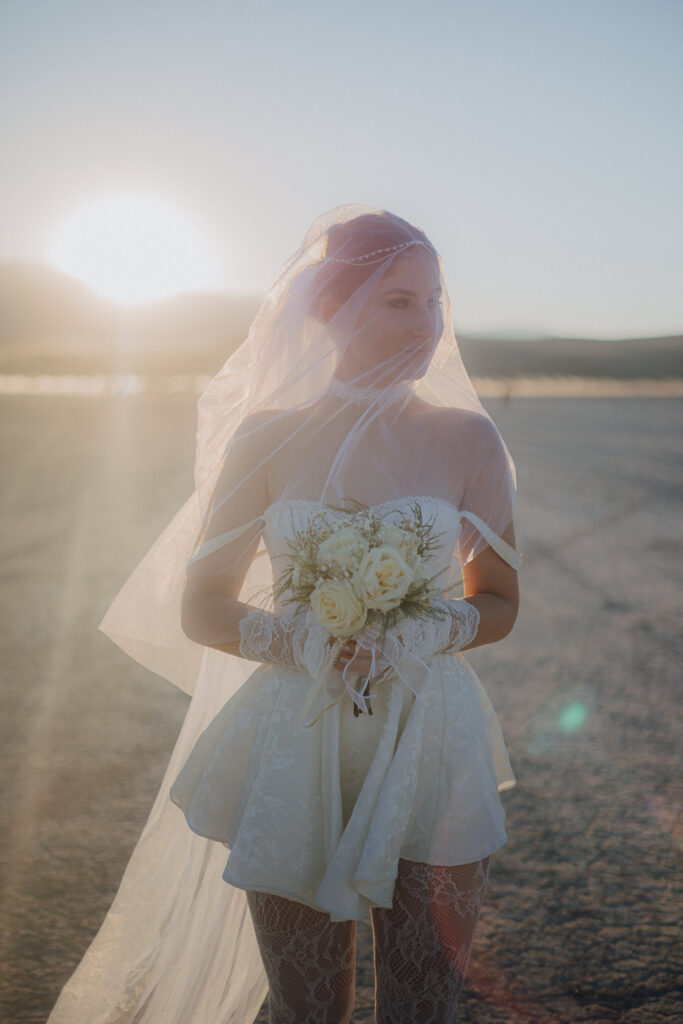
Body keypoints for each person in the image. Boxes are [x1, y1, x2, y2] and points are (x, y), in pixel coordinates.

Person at [47, 204, 521, 1024]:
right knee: (307, 1012)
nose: (428, 322)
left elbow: (501, 600)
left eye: (436, 299)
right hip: (292, 745)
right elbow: (202, 605)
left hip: (429, 738)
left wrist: (425, 629)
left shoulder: (467, 438)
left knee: (424, 1006)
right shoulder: (263, 440)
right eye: (399, 300)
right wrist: (294, 638)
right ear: (330, 310)